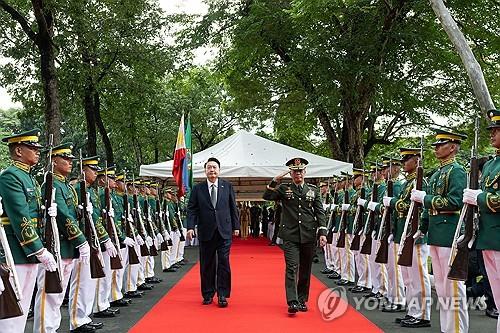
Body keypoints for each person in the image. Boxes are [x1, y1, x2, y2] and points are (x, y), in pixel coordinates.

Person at [0, 129, 57, 333]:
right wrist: (38, 249)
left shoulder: (29, 178)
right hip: (17, 250)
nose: (37, 151)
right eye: (32, 147)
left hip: (28, 252)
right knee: (14, 305)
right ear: (18, 151)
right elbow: (20, 217)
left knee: (23, 306)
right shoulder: (10, 176)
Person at [412, 128, 469, 333]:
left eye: (441, 145)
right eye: (436, 145)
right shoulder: (437, 173)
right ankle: (447, 329)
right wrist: (422, 228)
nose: (436, 148)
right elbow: (429, 208)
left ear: (452, 147)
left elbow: (455, 202)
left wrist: (424, 199)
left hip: (449, 234)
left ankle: (456, 330)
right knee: (443, 289)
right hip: (436, 234)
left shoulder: (458, 171)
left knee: (452, 288)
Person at [32, 142, 90, 333]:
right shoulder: (52, 184)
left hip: (66, 246)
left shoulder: (67, 186)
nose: (70, 162)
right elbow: (64, 215)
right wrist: (81, 240)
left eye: (70, 159)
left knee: (59, 293)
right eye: (65, 159)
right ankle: (45, 330)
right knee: (49, 292)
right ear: (54, 161)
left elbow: (71, 213)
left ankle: (51, 328)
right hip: (56, 244)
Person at [263, 157, 327, 314]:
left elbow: (319, 212)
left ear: (305, 172)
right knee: (292, 267)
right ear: (290, 173)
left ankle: (302, 299)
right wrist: (274, 181)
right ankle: (292, 301)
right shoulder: (284, 189)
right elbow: (267, 197)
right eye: (294, 171)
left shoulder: (313, 190)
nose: (298, 174)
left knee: (305, 269)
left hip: (308, 234)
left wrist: (322, 232)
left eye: (300, 171)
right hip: (290, 235)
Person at [463, 109, 500, 332]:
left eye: (497, 130)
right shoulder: (489, 165)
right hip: (487, 237)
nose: (492, 134)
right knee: (496, 294)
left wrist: (481, 197)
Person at [186, 157, 240, 307]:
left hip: (224, 231)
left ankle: (223, 294)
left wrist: (236, 227)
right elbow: (192, 209)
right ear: (205, 171)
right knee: (207, 264)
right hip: (206, 231)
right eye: (209, 167)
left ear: (219, 170)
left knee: (224, 262)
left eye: (214, 167)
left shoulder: (227, 186)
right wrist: (190, 227)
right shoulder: (198, 189)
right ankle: (208, 293)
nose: (212, 170)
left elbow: (232, 207)